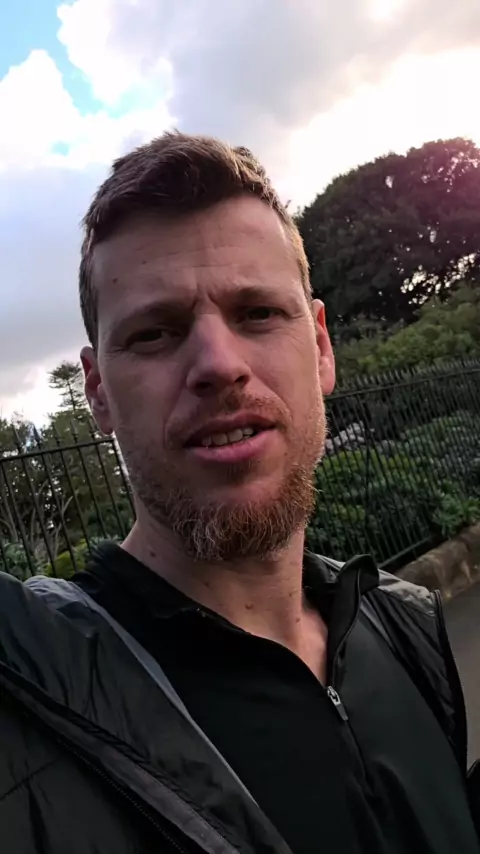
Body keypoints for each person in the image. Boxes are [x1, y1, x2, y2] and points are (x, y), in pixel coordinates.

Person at [0, 132, 478, 854]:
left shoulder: (405, 626)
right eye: (155, 333)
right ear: (97, 392)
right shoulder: (33, 702)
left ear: (321, 346)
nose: (219, 364)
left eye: (258, 313)